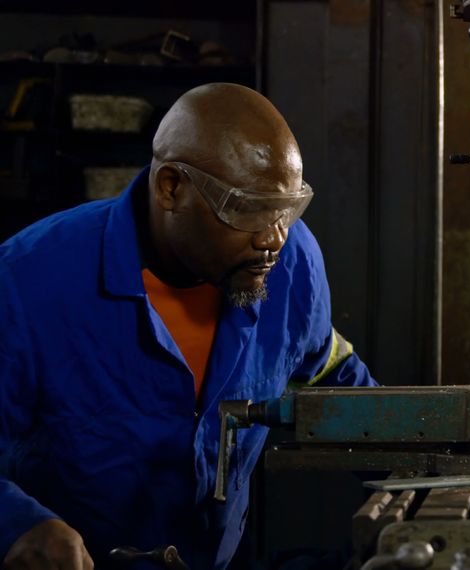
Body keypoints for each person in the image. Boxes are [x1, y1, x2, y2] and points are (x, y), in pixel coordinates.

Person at [0, 83, 376, 569]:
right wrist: (16, 526)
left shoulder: (293, 264)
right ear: (171, 187)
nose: (274, 238)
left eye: (287, 208)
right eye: (247, 209)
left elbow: (331, 372)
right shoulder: (28, 283)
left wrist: (426, 461)